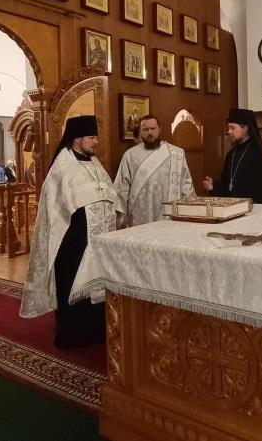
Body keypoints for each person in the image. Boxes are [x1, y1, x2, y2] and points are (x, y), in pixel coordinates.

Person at [20, 115, 121, 349]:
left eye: (96, 137)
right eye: (91, 137)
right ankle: (71, 334)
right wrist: (76, 236)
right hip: (73, 242)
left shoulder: (94, 163)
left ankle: (96, 330)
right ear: (77, 138)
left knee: (97, 286)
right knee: (73, 284)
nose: (96, 142)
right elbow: (55, 207)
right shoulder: (63, 166)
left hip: (97, 241)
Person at [114, 115, 194, 227]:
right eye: (145, 129)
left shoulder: (177, 154)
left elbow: (186, 186)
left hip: (170, 216)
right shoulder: (130, 156)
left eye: (153, 128)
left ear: (159, 129)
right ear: (140, 132)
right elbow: (121, 188)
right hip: (139, 217)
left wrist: (190, 213)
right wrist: (122, 218)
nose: (150, 133)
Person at [202, 108, 262, 204]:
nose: (229, 132)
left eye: (233, 128)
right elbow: (228, 184)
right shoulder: (231, 154)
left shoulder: (258, 154)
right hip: (234, 208)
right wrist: (214, 187)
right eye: (228, 128)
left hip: (254, 208)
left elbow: (261, 190)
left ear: (245, 128)